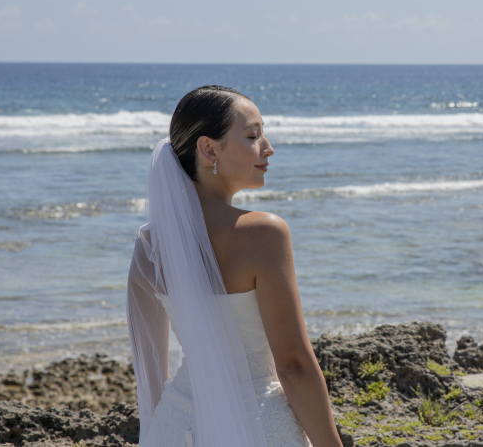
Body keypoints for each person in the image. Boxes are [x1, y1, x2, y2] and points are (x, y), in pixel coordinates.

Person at [126, 86, 342, 447]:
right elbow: (292, 365)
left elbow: (149, 368)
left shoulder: (149, 245)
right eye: (253, 136)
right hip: (257, 426)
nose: (268, 148)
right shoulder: (264, 233)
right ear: (209, 149)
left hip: (175, 427)